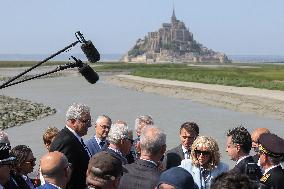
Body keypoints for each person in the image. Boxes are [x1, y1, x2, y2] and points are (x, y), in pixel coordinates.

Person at [49, 103, 92, 189]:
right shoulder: (66, 141)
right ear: (73, 122)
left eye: (90, 121)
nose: (90, 125)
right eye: (85, 121)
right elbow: (62, 176)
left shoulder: (73, 138)